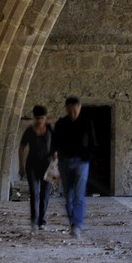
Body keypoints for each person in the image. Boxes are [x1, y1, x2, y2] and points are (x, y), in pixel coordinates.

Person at [52, 96, 95, 237]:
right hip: (64, 162)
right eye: (70, 111)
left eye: (75, 111)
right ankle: (73, 222)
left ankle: (77, 225)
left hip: (81, 162)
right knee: (68, 196)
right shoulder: (61, 123)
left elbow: (93, 142)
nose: (72, 114)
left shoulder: (86, 122)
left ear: (79, 108)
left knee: (79, 194)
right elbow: (55, 143)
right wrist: (55, 155)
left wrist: (88, 157)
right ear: (66, 108)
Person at [17, 106, 55, 234]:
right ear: (34, 118)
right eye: (37, 118)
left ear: (46, 118)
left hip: (48, 166)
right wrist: (21, 166)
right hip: (32, 165)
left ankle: (42, 221)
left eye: (42, 118)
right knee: (34, 193)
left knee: (45, 195)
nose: (39, 121)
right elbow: (21, 148)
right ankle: (34, 220)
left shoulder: (50, 129)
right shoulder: (29, 131)